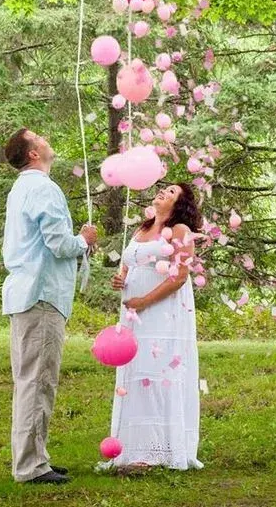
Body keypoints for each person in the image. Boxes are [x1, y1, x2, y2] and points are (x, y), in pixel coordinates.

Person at [1, 128, 97, 485]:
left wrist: (78, 245)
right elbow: (58, 243)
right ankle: (30, 467)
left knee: (33, 380)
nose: (45, 139)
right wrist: (83, 240)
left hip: (28, 293)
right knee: (37, 382)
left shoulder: (23, 188)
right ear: (32, 154)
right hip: (40, 296)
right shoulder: (42, 187)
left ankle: (36, 458)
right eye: (38, 137)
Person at [108, 182, 204, 471]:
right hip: (134, 315)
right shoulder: (142, 228)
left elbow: (179, 277)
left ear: (180, 204)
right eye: (165, 188)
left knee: (158, 372)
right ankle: (134, 447)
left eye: (172, 192)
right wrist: (121, 279)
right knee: (136, 374)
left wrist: (145, 301)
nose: (164, 191)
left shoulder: (180, 232)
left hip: (163, 316)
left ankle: (158, 451)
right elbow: (129, 264)